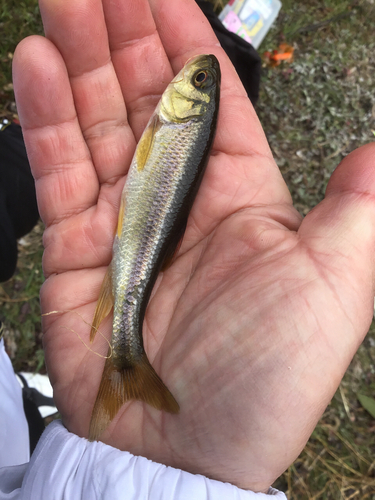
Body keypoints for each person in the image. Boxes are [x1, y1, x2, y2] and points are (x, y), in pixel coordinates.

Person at [1, 0, 374, 497]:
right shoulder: (176, 122)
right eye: (202, 83)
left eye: (198, 85)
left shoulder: (175, 123)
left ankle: (73, 388)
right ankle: (41, 400)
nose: (195, 80)